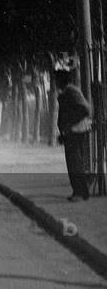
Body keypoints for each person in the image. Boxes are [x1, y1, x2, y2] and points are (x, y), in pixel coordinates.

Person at [53, 66, 91, 201]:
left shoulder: (71, 91)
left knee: (74, 162)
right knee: (74, 162)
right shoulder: (66, 92)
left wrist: (70, 125)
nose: (55, 82)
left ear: (62, 80)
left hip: (76, 131)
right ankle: (81, 192)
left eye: (57, 79)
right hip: (72, 131)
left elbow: (84, 109)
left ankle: (79, 193)